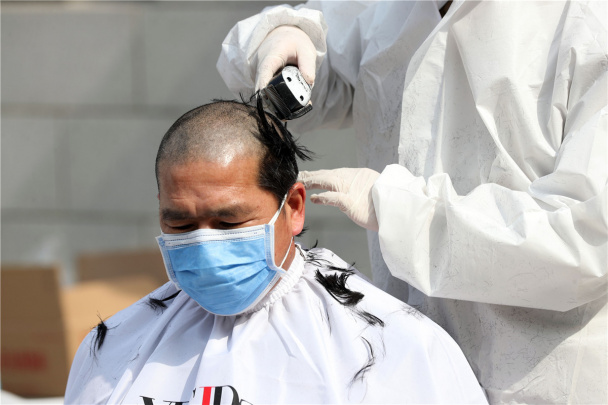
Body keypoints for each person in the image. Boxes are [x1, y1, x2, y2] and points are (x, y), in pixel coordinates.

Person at [217, 1, 607, 403]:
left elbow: (585, 241)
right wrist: (284, 35)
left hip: (543, 381)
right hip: (412, 369)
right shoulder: (389, 9)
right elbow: (313, 72)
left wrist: (403, 213)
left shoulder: (588, 23)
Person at [64, 99, 487, 404]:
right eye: (181, 225)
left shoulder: (392, 349)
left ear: (294, 207)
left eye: (229, 222)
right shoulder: (117, 347)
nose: (205, 245)